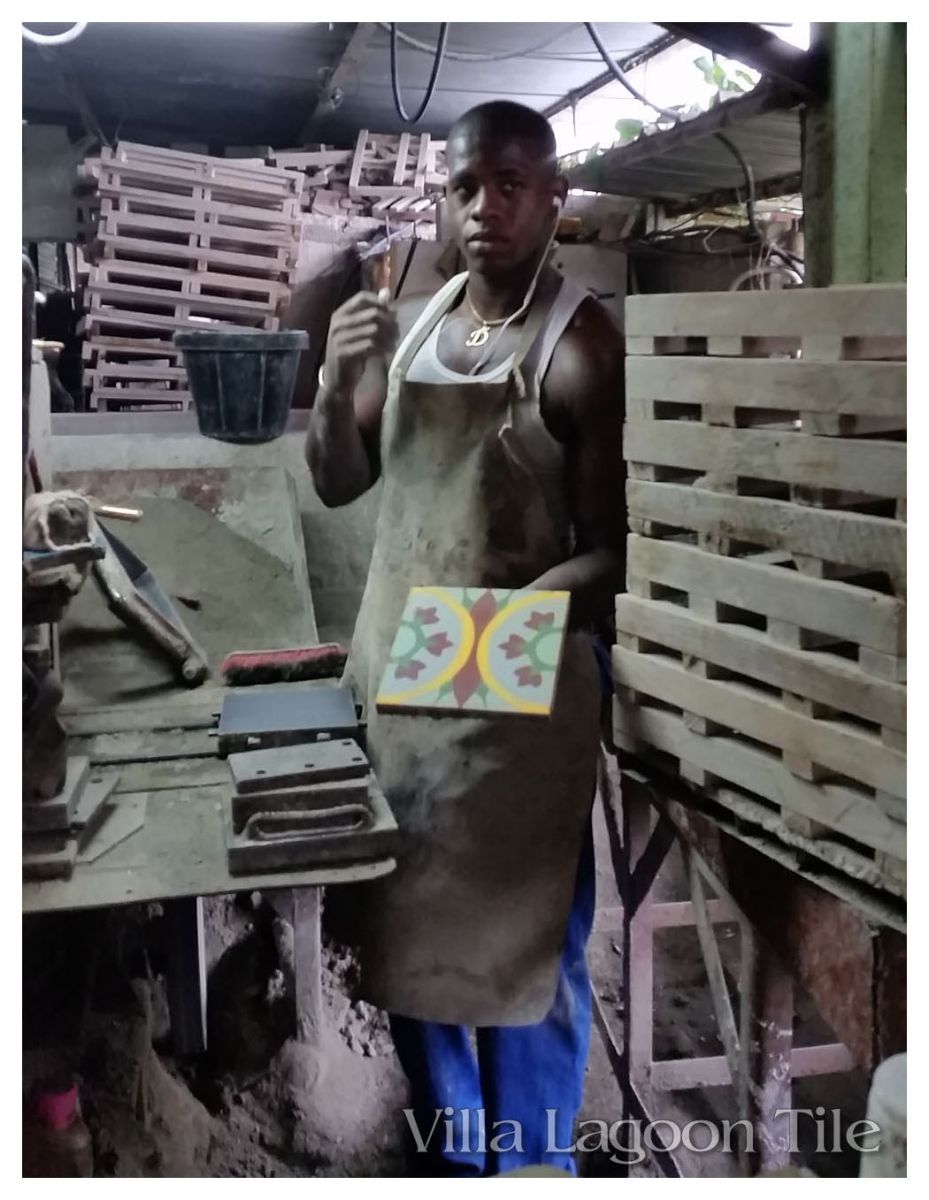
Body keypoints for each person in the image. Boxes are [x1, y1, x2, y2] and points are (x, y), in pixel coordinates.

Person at [306, 100, 626, 1177]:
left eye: (507, 183)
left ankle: (534, 1167)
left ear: (551, 196)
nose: (484, 208)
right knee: (416, 953)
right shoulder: (412, 318)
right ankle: (455, 1160)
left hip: (510, 711)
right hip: (401, 696)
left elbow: (609, 553)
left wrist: (488, 640)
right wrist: (327, 379)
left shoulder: (578, 340)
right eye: (463, 187)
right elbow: (342, 484)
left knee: (526, 952)